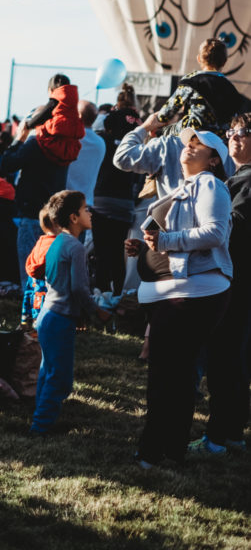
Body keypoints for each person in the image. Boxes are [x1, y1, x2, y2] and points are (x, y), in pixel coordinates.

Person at [125, 129, 232, 469]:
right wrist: (143, 249)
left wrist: (166, 240)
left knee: (165, 373)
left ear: (213, 159)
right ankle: (172, 449)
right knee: (178, 371)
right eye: (189, 141)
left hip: (194, 292)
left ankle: (152, 451)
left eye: (199, 145)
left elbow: (215, 232)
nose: (190, 145)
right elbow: (169, 244)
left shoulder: (211, 184)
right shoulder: (181, 188)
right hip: (175, 291)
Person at [189, 113, 251, 455]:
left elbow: (233, 230)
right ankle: (229, 434)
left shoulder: (247, 181)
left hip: (236, 283)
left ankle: (220, 436)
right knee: (231, 359)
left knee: (226, 359)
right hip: (232, 281)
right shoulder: (236, 178)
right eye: (231, 132)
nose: (234, 137)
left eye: (243, 132)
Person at [29, 190, 110, 436]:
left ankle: (40, 420)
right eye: (86, 209)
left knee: (48, 371)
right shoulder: (75, 247)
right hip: (59, 318)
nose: (90, 213)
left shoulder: (57, 242)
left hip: (48, 315)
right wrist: (96, 310)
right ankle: (41, 426)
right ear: (74, 217)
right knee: (59, 378)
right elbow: (78, 288)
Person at [2, 73, 83, 285]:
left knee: (31, 264)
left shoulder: (38, 143)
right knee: (53, 268)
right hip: (56, 210)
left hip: (31, 210)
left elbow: (8, 164)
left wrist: (18, 138)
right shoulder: (70, 142)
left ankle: (30, 307)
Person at [91, 89, 143, 295]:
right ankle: (118, 294)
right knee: (118, 253)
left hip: (102, 199)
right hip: (124, 203)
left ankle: (101, 292)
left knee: (101, 250)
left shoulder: (104, 137)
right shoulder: (136, 136)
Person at [156, 38, 243, 139]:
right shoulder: (229, 87)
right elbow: (234, 118)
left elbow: (166, 113)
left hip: (193, 131)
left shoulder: (190, 80)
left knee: (160, 132)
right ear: (224, 62)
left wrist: (157, 123)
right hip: (219, 136)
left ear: (199, 59)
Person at [20, 206, 60, 327]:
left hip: (36, 306)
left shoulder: (39, 244)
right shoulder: (59, 246)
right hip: (51, 309)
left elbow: (28, 291)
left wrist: (24, 318)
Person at [66, 100, 105, 209]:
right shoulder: (100, 143)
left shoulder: (70, 138)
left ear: (78, 115)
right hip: (85, 204)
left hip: (64, 201)